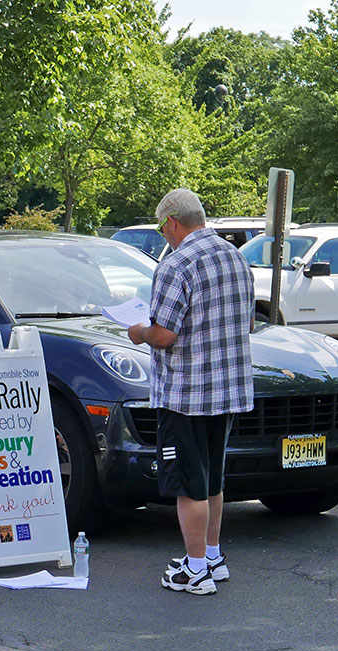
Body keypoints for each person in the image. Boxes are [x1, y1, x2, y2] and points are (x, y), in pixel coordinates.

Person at [127, 188, 254, 596]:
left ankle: (195, 570)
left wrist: (138, 332)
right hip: (228, 389)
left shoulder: (175, 265)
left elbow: (163, 336)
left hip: (185, 393)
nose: (164, 235)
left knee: (188, 484)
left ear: (171, 223)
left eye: (163, 227)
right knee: (212, 480)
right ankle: (212, 557)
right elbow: (246, 324)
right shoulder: (237, 258)